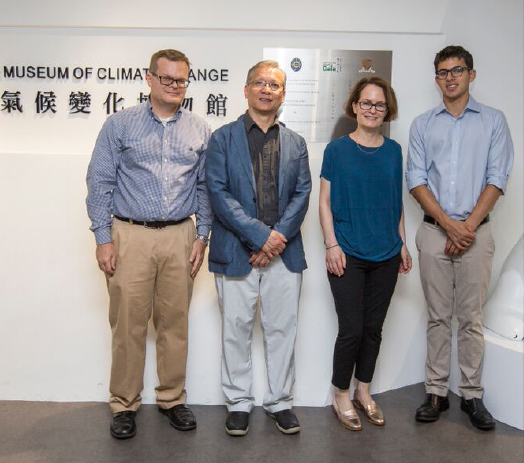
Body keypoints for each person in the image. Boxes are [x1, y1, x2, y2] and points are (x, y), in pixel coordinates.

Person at [86, 49, 212, 439]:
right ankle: (124, 404)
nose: (175, 86)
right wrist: (103, 238)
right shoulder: (120, 125)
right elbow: (100, 182)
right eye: (168, 79)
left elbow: (205, 186)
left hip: (180, 235)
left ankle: (172, 398)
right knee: (128, 325)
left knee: (174, 323)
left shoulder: (199, 129)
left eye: (182, 80)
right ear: (149, 78)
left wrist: (202, 234)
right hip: (130, 235)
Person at [407, 45, 514, 430]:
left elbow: (497, 178)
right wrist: (450, 227)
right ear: (436, 78)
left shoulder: (493, 121)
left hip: (476, 235)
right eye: (442, 72)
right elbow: (416, 179)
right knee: (438, 317)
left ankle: (471, 395)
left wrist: (466, 227)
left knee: (470, 317)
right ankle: (435, 392)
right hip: (435, 233)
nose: (450, 77)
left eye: (457, 70)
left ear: (471, 74)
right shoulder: (422, 124)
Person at [206, 60, 311, 436]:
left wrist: (276, 238)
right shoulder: (221, 138)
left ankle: (280, 401)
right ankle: (238, 402)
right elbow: (218, 194)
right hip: (236, 252)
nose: (267, 90)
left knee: (282, 329)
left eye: (275, 85)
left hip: (284, 254)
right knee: (235, 330)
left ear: (283, 94)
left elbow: (302, 194)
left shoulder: (296, 143)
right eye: (260, 83)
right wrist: (259, 236)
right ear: (246, 89)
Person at [319, 76, 411, 431]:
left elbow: (395, 202)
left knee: (373, 329)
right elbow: (324, 203)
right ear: (354, 106)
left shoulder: (394, 151)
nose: (373, 109)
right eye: (367, 103)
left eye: (380, 105)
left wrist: (401, 241)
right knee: (352, 329)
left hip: (386, 253)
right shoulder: (337, 150)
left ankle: (364, 391)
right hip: (348, 253)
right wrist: (331, 244)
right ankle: (340, 394)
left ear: (387, 111)